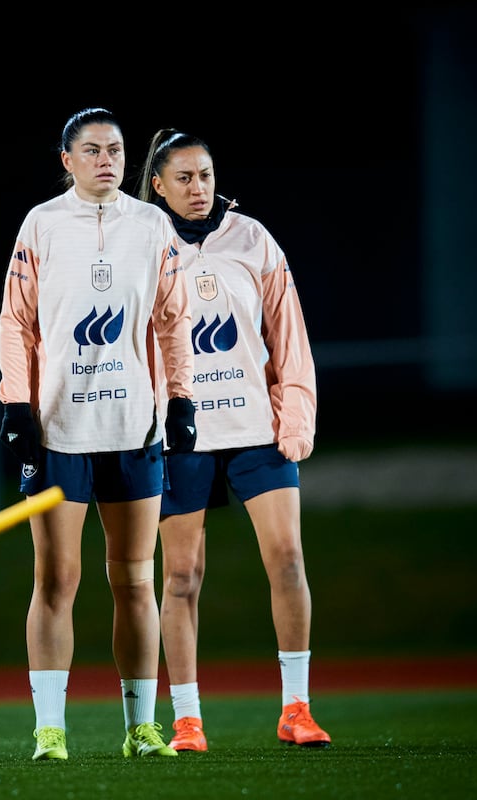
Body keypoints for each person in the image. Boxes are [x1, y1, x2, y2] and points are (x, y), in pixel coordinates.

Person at [0, 107, 199, 762]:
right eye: (91, 149)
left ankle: (141, 728)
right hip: (59, 432)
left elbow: (173, 322)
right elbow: (15, 323)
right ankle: (49, 730)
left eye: (114, 149)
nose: (106, 159)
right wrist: (17, 404)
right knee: (56, 578)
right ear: (67, 159)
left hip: (132, 430)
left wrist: (180, 400)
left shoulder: (152, 225)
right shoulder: (41, 225)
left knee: (136, 581)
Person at [137, 129, 331, 751]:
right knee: (182, 577)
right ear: (159, 185)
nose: (200, 189)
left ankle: (296, 708)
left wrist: (294, 419)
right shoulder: (140, 244)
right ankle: (188, 718)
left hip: (255, 430)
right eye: (185, 178)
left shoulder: (254, 240)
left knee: (289, 559)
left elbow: (290, 337)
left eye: (207, 175)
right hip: (179, 436)